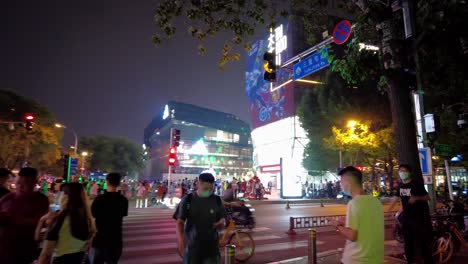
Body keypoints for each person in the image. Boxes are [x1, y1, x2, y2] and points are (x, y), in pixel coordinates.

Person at [329, 166, 384, 264]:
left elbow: (352, 236)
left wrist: (337, 225)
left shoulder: (354, 203)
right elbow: (367, 225)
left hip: (356, 259)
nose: (340, 185)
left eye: (341, 182)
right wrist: (347, 222)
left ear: (348, 183)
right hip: (376, 259)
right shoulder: (376, 202)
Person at [0, 167, 50, 264]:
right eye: (18, 183)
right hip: (3, 249)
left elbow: (41, 222)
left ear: (34, 183)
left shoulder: (41, 200)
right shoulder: (7, 198)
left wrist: (12, 219)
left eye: (25, 183)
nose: (20, 187)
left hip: (25, 250)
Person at [36, 182, 95, 264]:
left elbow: (45, 254)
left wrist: (42, 220)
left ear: (66, 197)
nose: (60, 196)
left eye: (62, 193)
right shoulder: (87, 219)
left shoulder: (59, 219)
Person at [388, 164, 434, 264]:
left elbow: (427, 197)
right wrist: (387, 211)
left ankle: (428, 261)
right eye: (400, 171)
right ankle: (410, 260)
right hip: (406, 219)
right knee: (408, 243)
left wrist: (417, 198)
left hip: (418, 219)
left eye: (404, 170)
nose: (401, 173)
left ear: (409, 172)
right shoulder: (401, 186)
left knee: (421, 242)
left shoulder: (416, 184)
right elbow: (395, 199)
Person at [176, 172, 226, 264]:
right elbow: (180, 222)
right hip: (192, 250)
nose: (208, 191)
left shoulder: (217, 200)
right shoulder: (188, 200)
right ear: (198, 184)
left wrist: (221, 223)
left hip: (212, 250)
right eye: (205, 188)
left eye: (211, 189)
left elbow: (222, 218)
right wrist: (180, 239)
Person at [89, 172, 128, 264]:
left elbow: (93, 214)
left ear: (107, 182)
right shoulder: (123, 200)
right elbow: (123, 214)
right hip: (115, 240)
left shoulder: (99, 199)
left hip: (100, 239)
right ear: (119, 183)